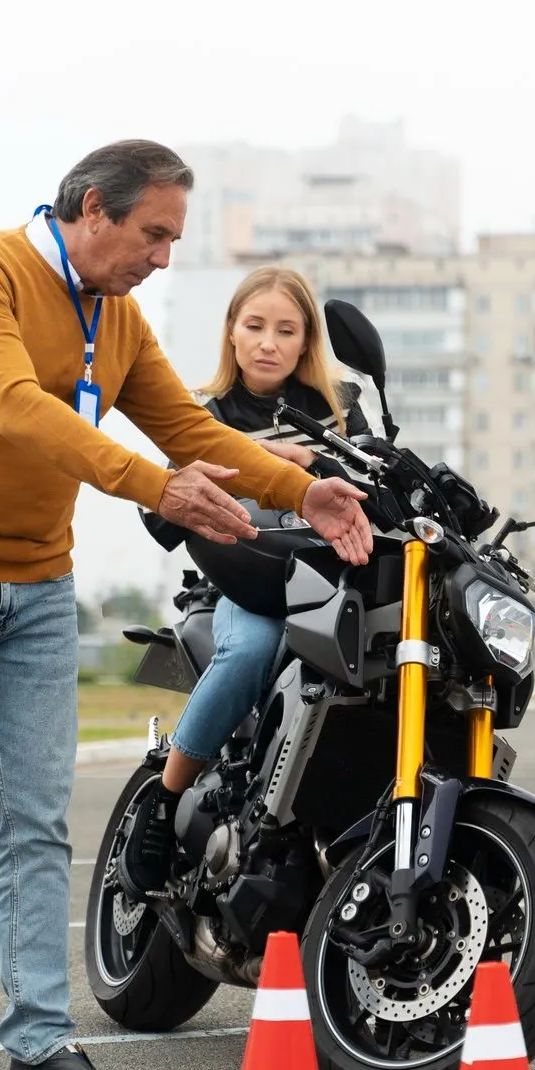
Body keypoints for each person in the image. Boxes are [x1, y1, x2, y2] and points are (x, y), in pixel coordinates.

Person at [0, 141, 373, 1070]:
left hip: (35, 586)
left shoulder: (114, 316)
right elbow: (19, 410)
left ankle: (40, 1043)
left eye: (173, 239)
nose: (162, 257)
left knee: (37, 823)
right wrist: (156, 487)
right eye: (153, 234)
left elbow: (193, 431)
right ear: (92, 208)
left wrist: (304, 491)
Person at [123, 266, 366, 891]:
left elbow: (379, 482)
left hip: (333, 585)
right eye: (254, 326)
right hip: (244, 585)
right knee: (251, 651)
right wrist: (237, 468)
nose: (268, 343)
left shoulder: (341, 410)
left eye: (286, 330)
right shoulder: (205, 415)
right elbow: (163, 510)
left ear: (306, 341)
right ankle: (162, 803)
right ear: (231, 331)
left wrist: (309, 457)